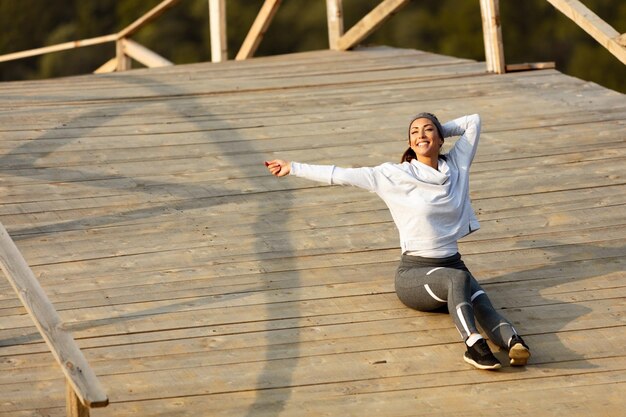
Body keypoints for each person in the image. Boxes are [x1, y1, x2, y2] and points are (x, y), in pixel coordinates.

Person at [265, 112, 530, 370]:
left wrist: (437, 129)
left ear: (441, 139)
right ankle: (474, 345)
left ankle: (513, 343)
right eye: (414, 132)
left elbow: (473, 121)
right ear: (409, 144)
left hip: (452, 265)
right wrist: (293, 168)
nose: (421, 135)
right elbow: (340, 174)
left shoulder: (456, 165)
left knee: (482, 301)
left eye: (427, 129)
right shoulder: (393, 175)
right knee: (458, 280)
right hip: (414, 275)